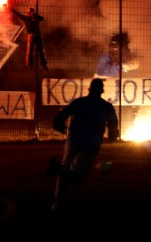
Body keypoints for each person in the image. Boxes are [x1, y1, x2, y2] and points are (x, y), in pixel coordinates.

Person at [45, 78, 119, 212]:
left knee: (65, 169)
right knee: (76, 176)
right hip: (91, 144)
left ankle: (57, 202)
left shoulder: (79, 102)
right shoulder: (106, 107)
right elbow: (113, 124)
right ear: (102, 91)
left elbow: (62, 115)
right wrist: (113, 135)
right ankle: (57, 170)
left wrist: (59, 124)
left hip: (74, 140)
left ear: (89, 89)